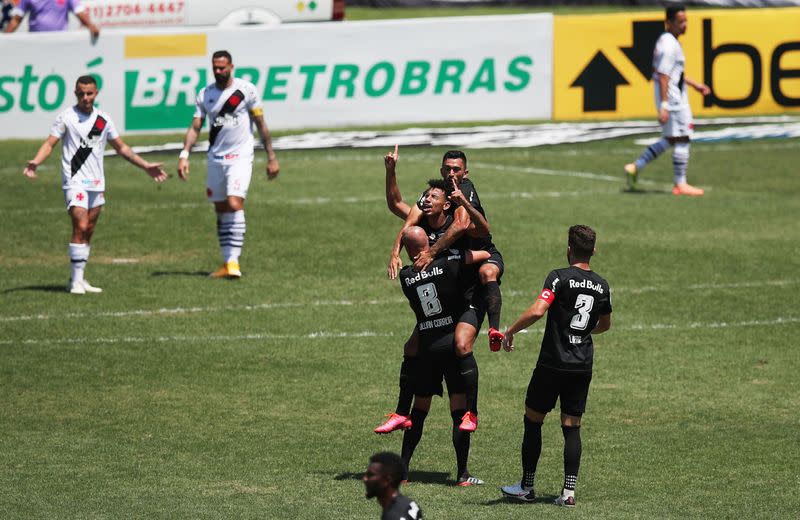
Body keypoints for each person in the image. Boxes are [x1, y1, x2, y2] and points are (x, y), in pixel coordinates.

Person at [500, 225, 612, 507]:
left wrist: (510, 330)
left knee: (533, 419)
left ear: (569, 249)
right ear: (593, 251)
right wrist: (581, 333)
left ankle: (526, 486)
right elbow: (604, 325)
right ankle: (569, 492)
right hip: (581, 364)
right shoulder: (602, 285)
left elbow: (539, 310)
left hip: (552, 363)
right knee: (572, 426)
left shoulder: (559, 277)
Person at [22, 75, 167, 294]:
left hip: (97, 183)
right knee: (79, 225)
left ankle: (79, 278)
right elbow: (50, 143)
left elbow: (122, 148)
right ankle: (75, 282)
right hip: (75, 181)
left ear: (96, 93)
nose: (85, 98)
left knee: (89, 229)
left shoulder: (103, 120)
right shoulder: (66, 118)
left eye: (89, 93)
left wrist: (145, 166)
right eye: (81, 94)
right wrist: (36, 162)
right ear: (75, 94)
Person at [376, 179, 487, 435]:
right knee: (414, 348)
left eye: (432, 197)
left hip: (462, 298)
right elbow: (403, 217)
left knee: (455, 344)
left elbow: (477, 233)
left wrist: (432, 253)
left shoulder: (408, 274)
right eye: (425, 197)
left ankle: (469, 412)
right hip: (445, 296)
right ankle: (403, 413)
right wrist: (397, 249)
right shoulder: (424, 218)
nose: (426, 200)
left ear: (446, 204)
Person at [397, 226, 488, 487]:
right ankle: (462, 474)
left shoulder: (406, 276)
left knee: (419, 409)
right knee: (459, 411)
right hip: (450, 347)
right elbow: (481, 256)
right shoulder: (447, 264)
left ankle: (403, 470)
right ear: (427, 245)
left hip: (427, 348)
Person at [178, 50, 280, 278]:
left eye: (222, 67)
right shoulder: (205, 94)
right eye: (215, 67)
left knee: (234, 203)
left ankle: (234, 262)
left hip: (241, 156)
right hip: (216, 157)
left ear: (231, 67)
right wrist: (184, 154)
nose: (218, 71)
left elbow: (261, 124)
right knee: (220, 207)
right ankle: (227, 262)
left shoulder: (246, 90)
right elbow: (196, 126)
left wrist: (271, 156)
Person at [623, 4, 710, 196]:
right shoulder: (669, 44)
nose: (685, 25)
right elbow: (663, 75)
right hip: (673, 99)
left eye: (686, 20)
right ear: (669, 22)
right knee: (683, 137)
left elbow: (671, 73)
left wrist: (694, 84)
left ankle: (635, 167)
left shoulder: (667, 41)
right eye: (680, 22)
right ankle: (680, 184)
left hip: (671, 96)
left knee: (671, 139)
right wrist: (664, 105)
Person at [364, 452, 423, 520]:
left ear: (387, 480)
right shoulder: (409, 504)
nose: (364, 479)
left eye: (371, 475)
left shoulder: (392, 516)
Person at [4, 0, 100, 37]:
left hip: (59, 41)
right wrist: (4, 39)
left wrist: (91, 26)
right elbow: (16, 19)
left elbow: (80, 13)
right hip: (35, 42)